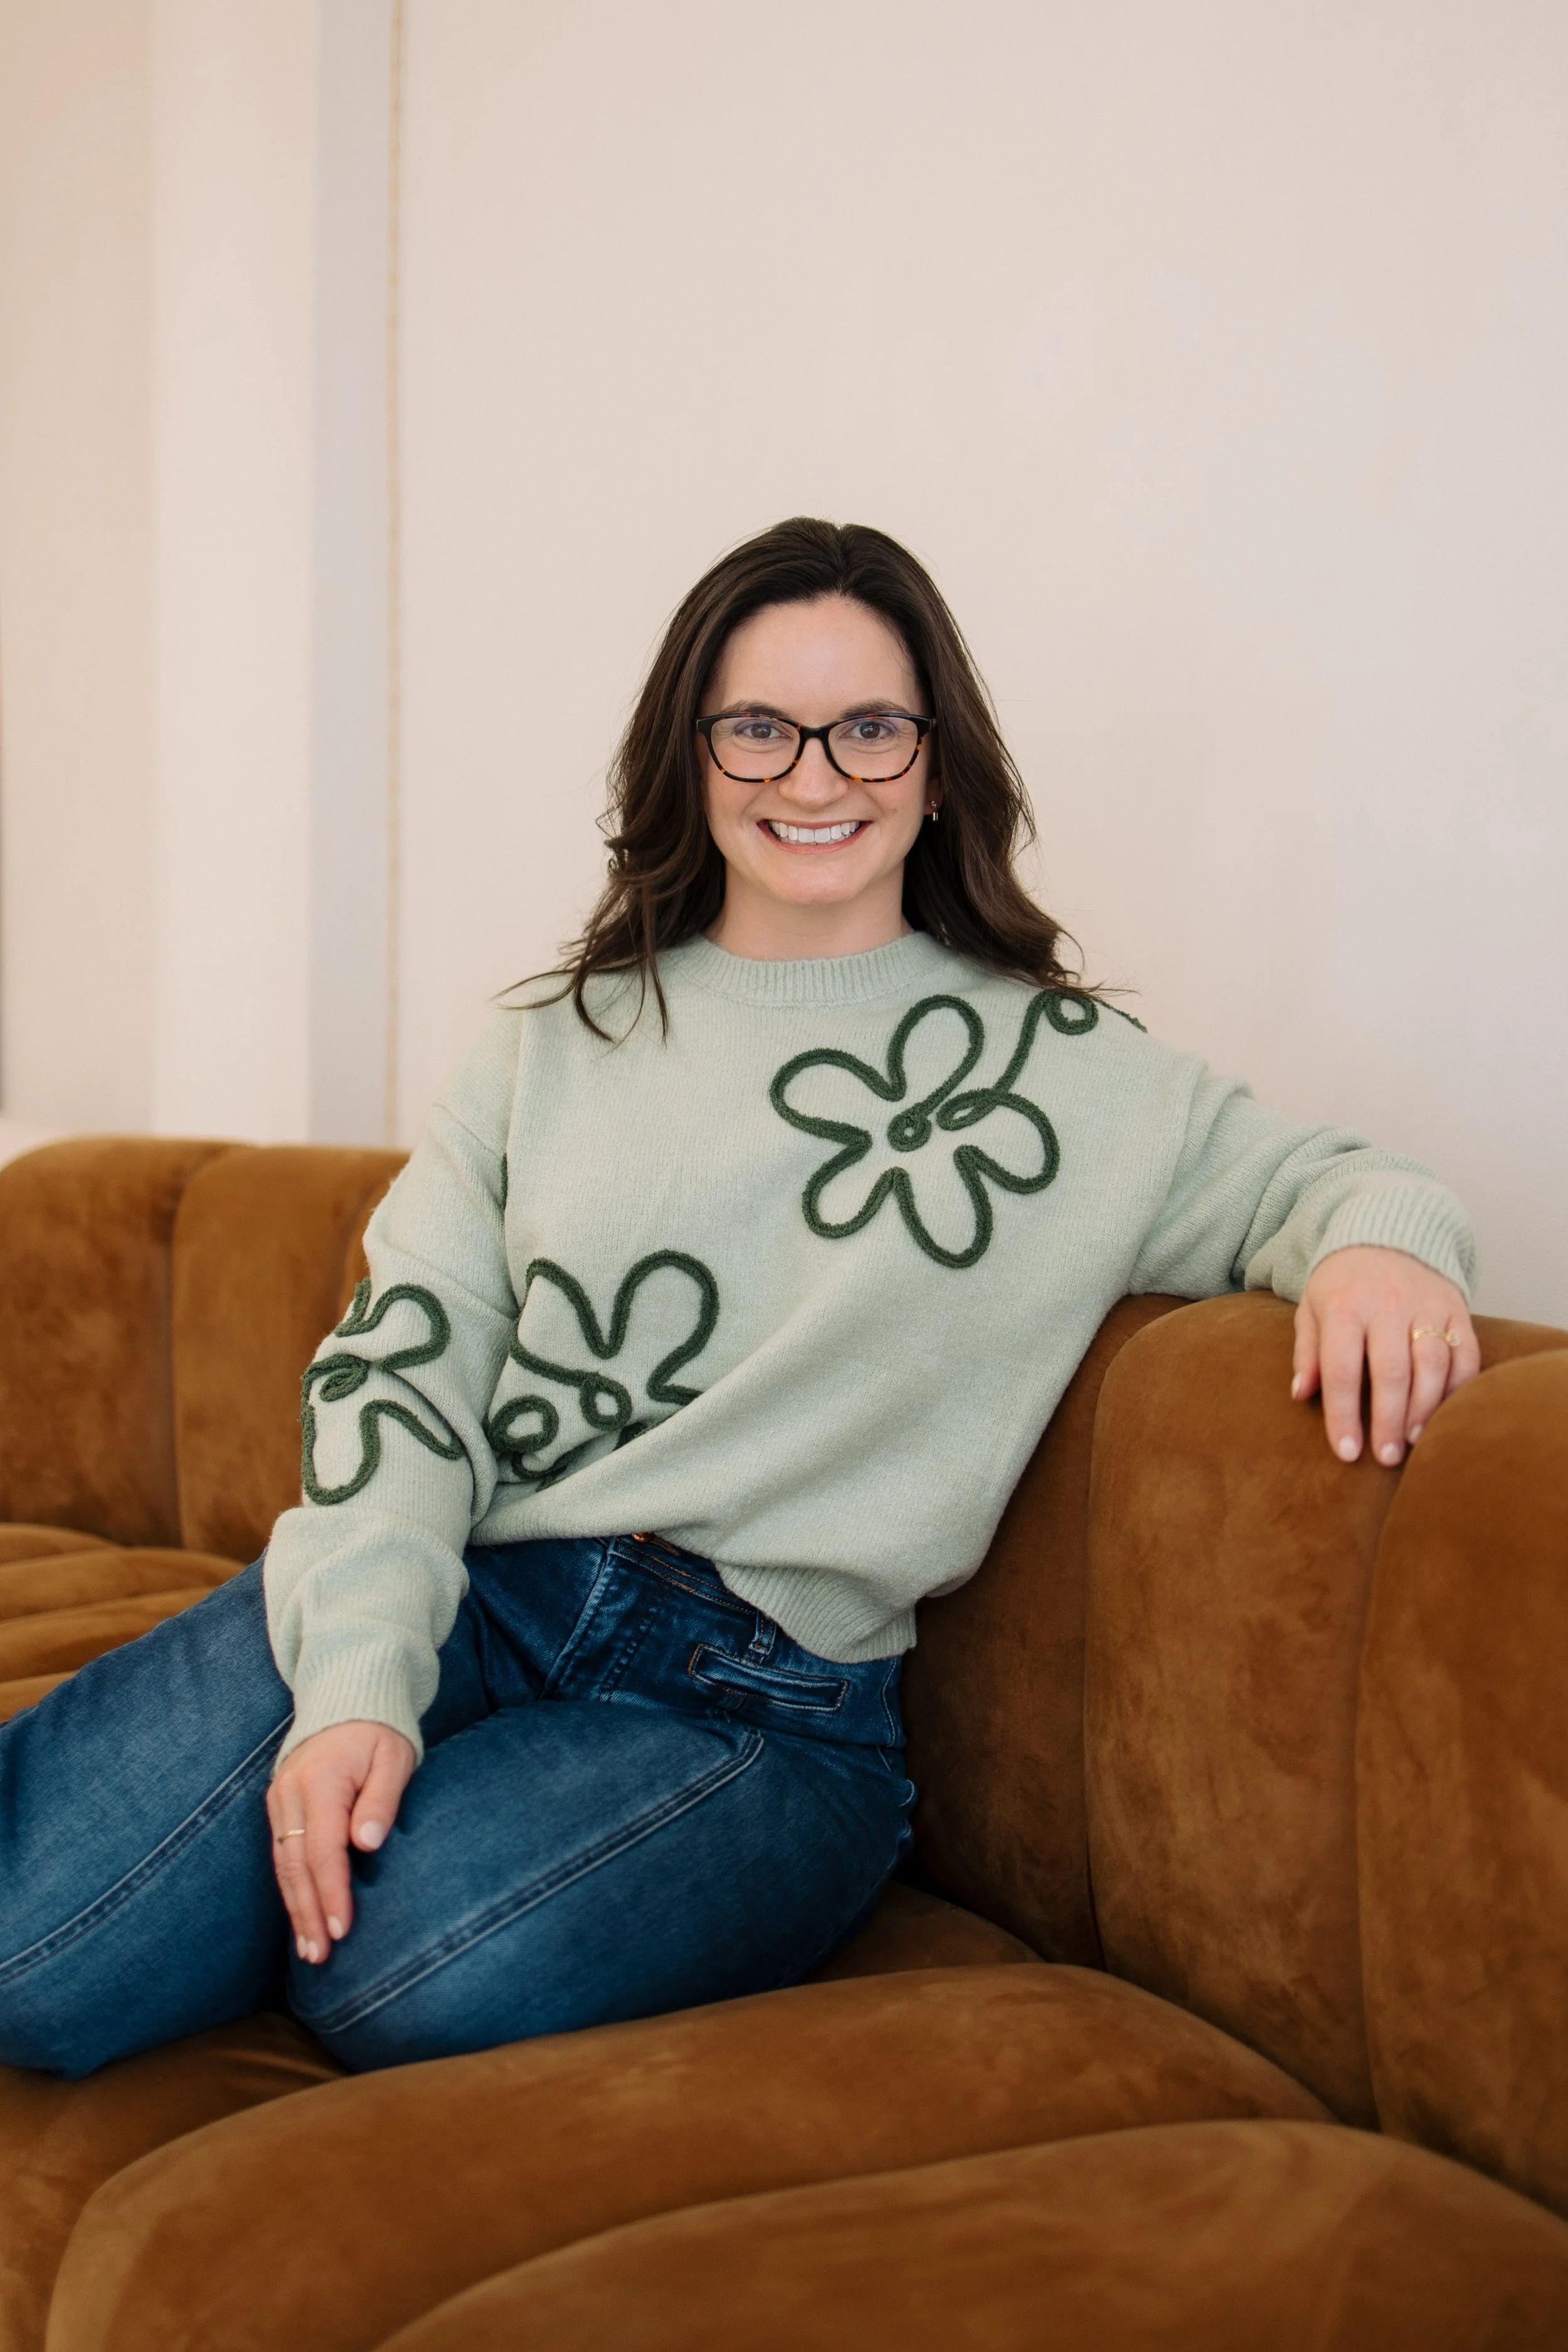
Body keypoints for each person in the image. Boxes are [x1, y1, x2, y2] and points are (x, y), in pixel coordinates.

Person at [0, 518, 1478, 2080]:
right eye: (759, 727)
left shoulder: (1059, 1082)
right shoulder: (549, 1044)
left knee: (403, 1974)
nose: (813, 775)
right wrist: (363, 1679)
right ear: (693, 756)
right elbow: (405, 1368)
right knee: (28, 1955)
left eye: (869, 728)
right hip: (483, 1585)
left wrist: (1380, 1243)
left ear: (934, 758)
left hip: (762, 1711)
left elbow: (1326, 1185)